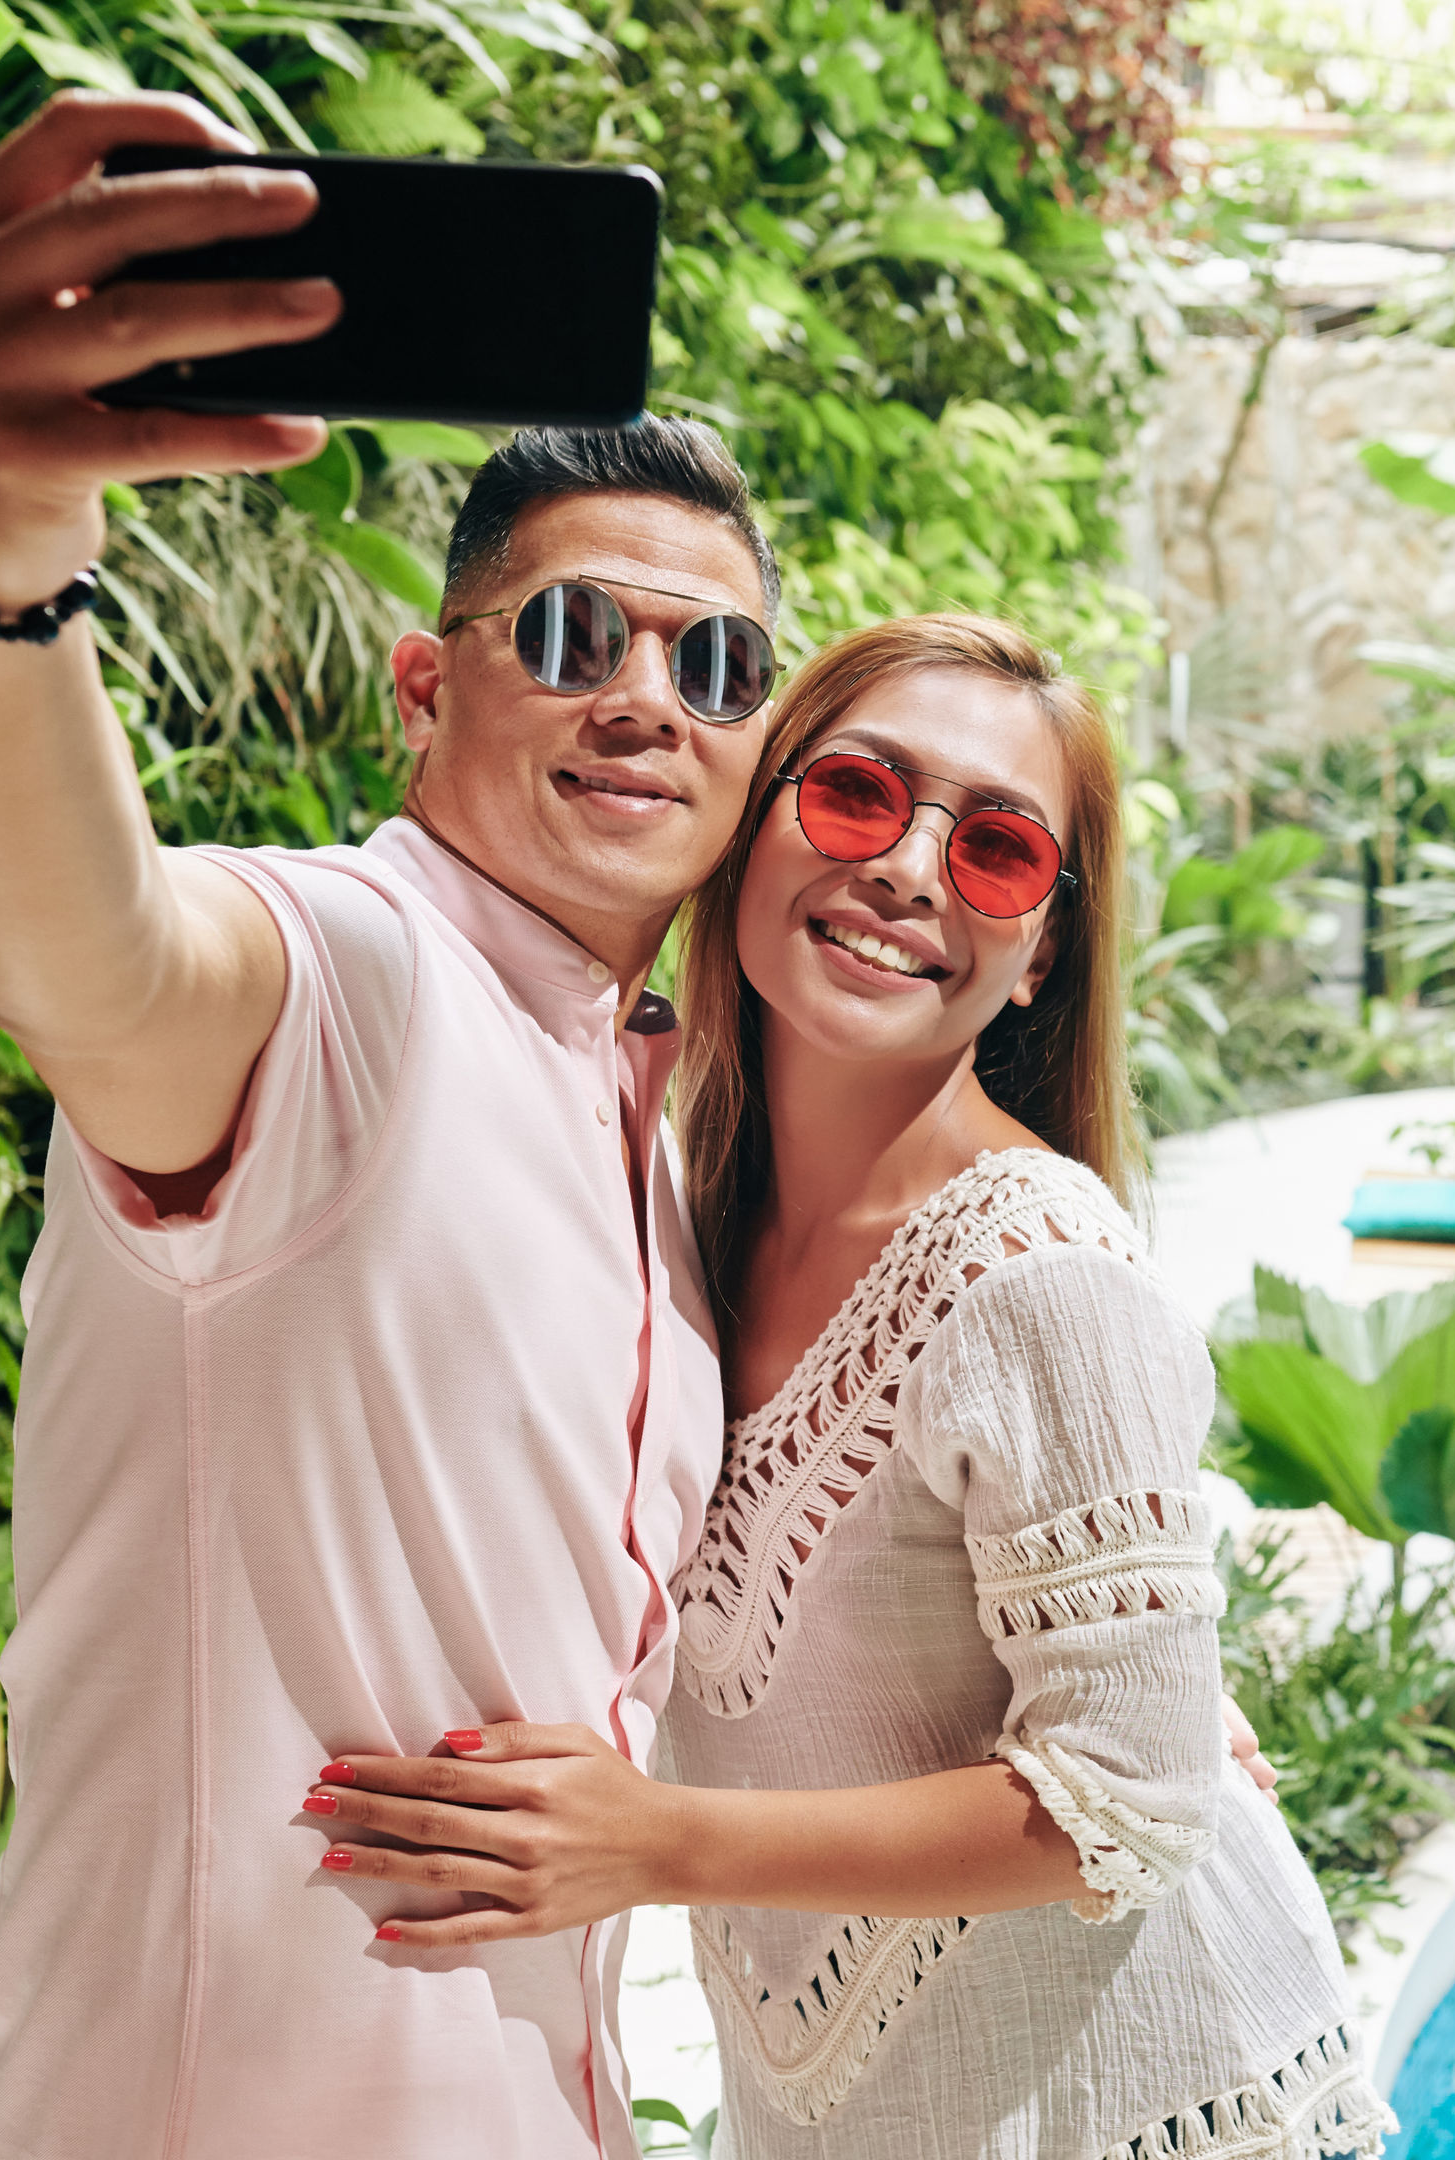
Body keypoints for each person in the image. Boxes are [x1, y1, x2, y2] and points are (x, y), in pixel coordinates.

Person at [0, 88, 771, 2157]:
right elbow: (88, 953)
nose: (646, 694)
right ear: (422, 688)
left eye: (716, 662)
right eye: (570, 636)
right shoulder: (350, 982)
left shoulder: (648, 1110)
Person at [303, 617, 1394, 2160]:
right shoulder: (673, 1198)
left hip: (1137, 2092)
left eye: (1000, 850)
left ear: (1038, 960)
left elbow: (1130, 1810)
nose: (910, 869)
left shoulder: (1041, 1271)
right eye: (860, 797)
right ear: (754, 834)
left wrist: (652, 1844)